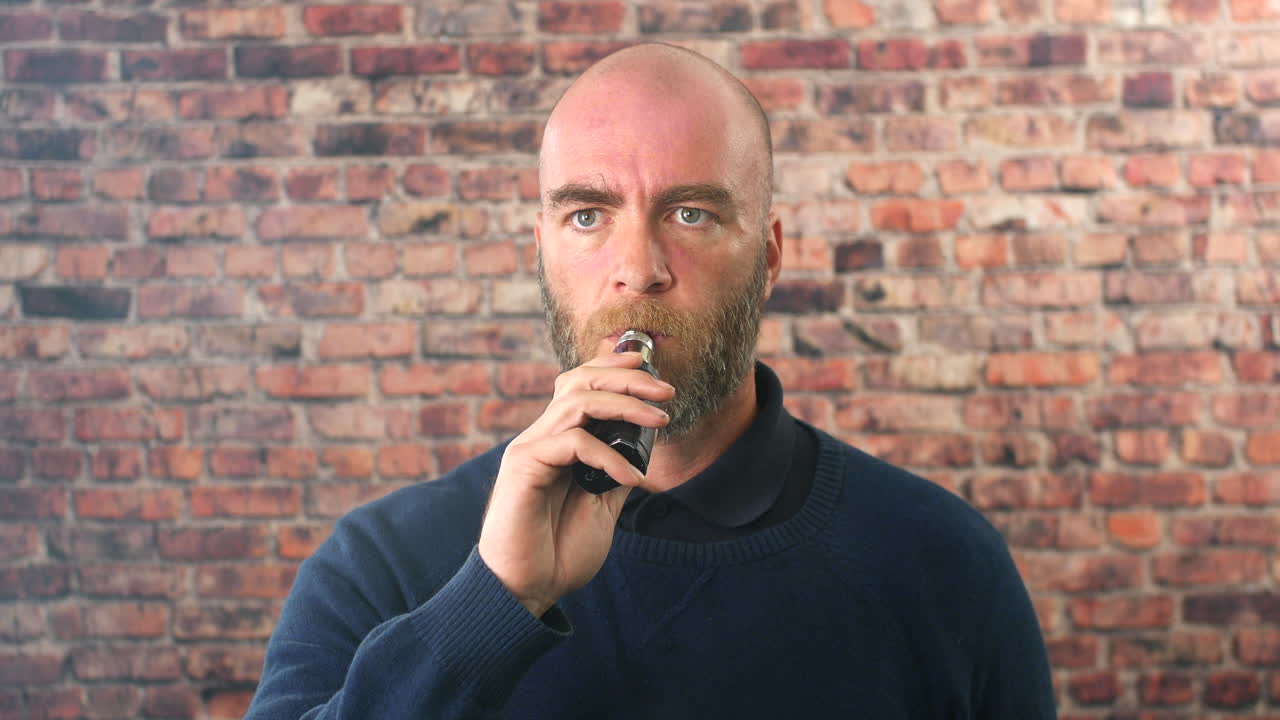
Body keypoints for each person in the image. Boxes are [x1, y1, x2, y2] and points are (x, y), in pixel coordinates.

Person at [245, 43, 1056, 719]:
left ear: (770, 256)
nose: (638, 269)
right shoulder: (378, 563)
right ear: (542, 253)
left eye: (690, 214)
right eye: (587, 216)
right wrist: (492, 602)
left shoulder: (944, 562)